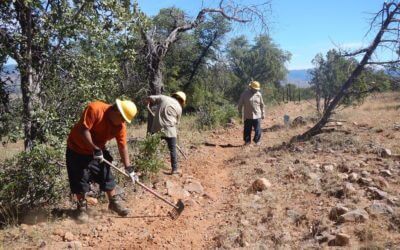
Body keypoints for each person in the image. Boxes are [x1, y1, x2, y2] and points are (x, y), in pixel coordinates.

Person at [66, 99, 137, 222]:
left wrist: (128, 167)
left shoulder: (120, 126)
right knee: (80, 178)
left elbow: (122, 146)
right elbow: (83, 130)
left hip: (97, 151)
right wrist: (95, 149)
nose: (124, 122)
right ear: (116, 111)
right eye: (123, 118)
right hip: (76, 149)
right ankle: (82, 208)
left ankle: (113, 203)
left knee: (106, 174)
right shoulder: (95, 109)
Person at [144, 91, 186, 175]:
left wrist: (147, 102)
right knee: (172, 149)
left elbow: (150, 98)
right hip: (170, 131)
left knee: (151, 147)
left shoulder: (163, 98)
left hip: (157, 129)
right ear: (182, 101)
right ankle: (174, 169)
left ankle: (146, 168)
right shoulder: (179, 108)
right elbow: (177, 122)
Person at [238, 80, 265, 146]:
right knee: (247, 129)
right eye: (255, 89)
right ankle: (247, 142)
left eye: (257, 89)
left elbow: (262, 105)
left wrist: (263, 113)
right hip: (248, 116)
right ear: (251, 88)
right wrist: (240, 115)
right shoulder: (244, 94)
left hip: (257, 115)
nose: (256, 90)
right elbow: (240, 105)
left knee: (258, 129)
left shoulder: (259, 94)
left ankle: (257, 141)